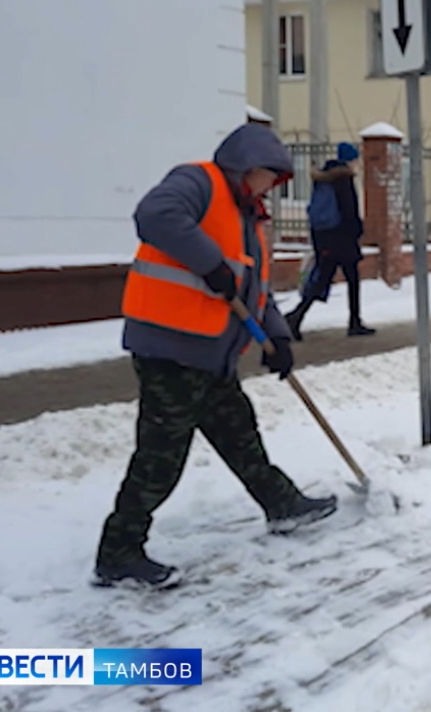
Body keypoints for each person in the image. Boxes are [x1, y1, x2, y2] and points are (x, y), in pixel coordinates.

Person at [95, 123, 339, 590]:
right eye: (268, 175)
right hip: (169, 348)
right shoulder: (198, 182)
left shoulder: (250, 220)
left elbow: (254, 292)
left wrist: (278, 338)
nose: (271, 187)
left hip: (211, 355)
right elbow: (154, 215)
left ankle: (282, 505)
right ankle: (118, 552)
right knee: (161, 455)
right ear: (246, 166)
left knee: (240, 435)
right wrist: (210, 264)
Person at [285, 142, 375, 339]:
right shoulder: (343, 179)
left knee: (325, 279)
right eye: (355, 159)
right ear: (350, 160)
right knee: (346, 280)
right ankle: (297, 317)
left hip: (325, 238)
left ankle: (297, 317)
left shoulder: (324, 179)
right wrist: (358, 231)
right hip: (341, 240)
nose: (356, 164)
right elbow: (348, 211)